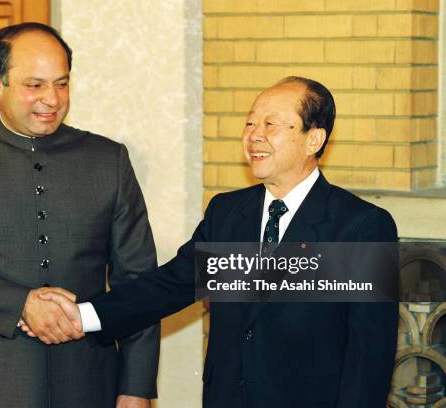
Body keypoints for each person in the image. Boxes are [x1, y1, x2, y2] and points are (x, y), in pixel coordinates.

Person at [33, 77, 399, 407]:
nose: (254, 135)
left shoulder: (360, 227)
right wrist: (82, 316)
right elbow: (169, 286)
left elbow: (370, 359)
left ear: (313, 139)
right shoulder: (227, 214)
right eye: (250, 122)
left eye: (270, 125)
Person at [0, 22, 159, 408]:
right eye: (34, 85)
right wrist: (19, 303)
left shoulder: (109, 161)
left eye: (61, 83)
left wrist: (136, 387)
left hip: (88, 380)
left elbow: (139, 282)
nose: (52, 99)